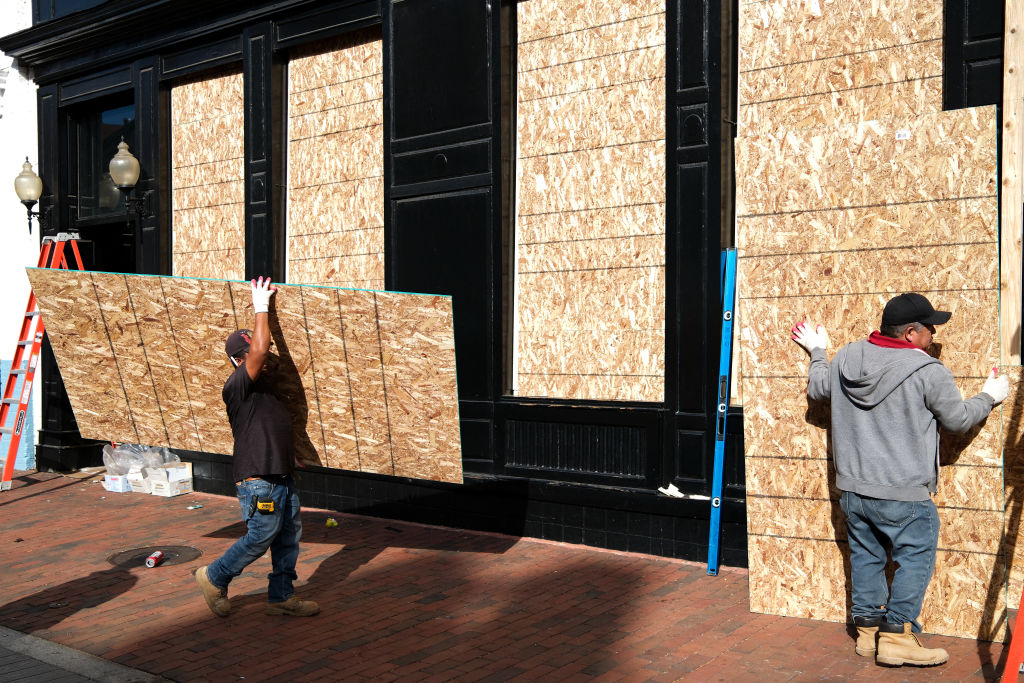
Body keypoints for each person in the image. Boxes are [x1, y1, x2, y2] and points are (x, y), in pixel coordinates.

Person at [791, 292, 1008, 667]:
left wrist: (818, 351)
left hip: (854, 491)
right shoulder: (927, 371)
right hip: (904, 495)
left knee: (866, 557)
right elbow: (956, 419)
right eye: (930, 329)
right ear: (910, 333)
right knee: (916, 557)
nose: (933, 336)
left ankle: (868, 633)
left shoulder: (846, 357)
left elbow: (818, 387)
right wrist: (989, 396)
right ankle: (897, 636)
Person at [195, 276, 319, 618]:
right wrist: (261, 305)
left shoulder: (266, 388)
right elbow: (261, 348)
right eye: (253, 353)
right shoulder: (237, 385)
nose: (263, 357)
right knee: (261, 533)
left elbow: (268, 426)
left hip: (280, 471)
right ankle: (214, 575)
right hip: (257, 478)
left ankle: (281, 596)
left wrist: (291, 454)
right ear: (239, 359)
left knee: (288, 536)